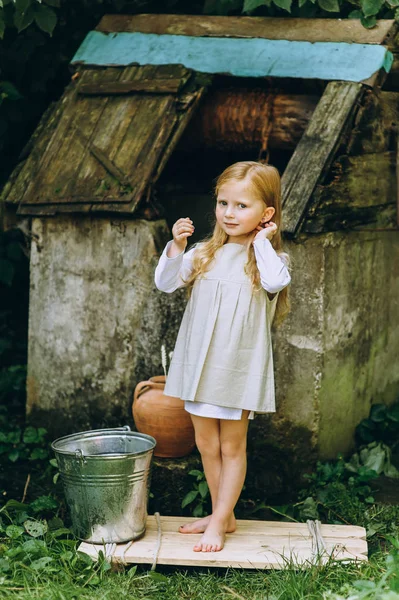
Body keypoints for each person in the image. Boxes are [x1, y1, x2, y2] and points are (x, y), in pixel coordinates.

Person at [154, 161, 291, 553]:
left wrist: (262, 241)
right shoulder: (204, 253)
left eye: (241, 206)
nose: (229, 213)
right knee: (205, 443)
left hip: (236, 367)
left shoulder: (268, 261)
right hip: (199, 363)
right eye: (223, 203)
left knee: (231, 446)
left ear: (266, 214)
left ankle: (217, 521)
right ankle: (223, 515)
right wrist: (176, 248)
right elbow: (165, 283)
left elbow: (277, 283)